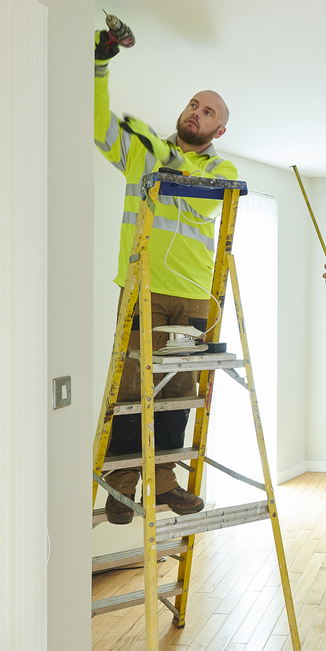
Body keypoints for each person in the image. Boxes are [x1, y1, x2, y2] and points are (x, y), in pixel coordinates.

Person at [93, 29, 238, 523]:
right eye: (194, 104)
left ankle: (166, 480)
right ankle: (121, 482)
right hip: (144, 290)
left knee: (178, 392)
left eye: (208, 112)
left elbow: (198, 192)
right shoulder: (141, 152)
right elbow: (97, 125)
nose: (196, 112)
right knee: (133, 388)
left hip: (195, 299)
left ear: (218, 131)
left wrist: (163, 153)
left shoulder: (222, 168)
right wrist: (100, 64)